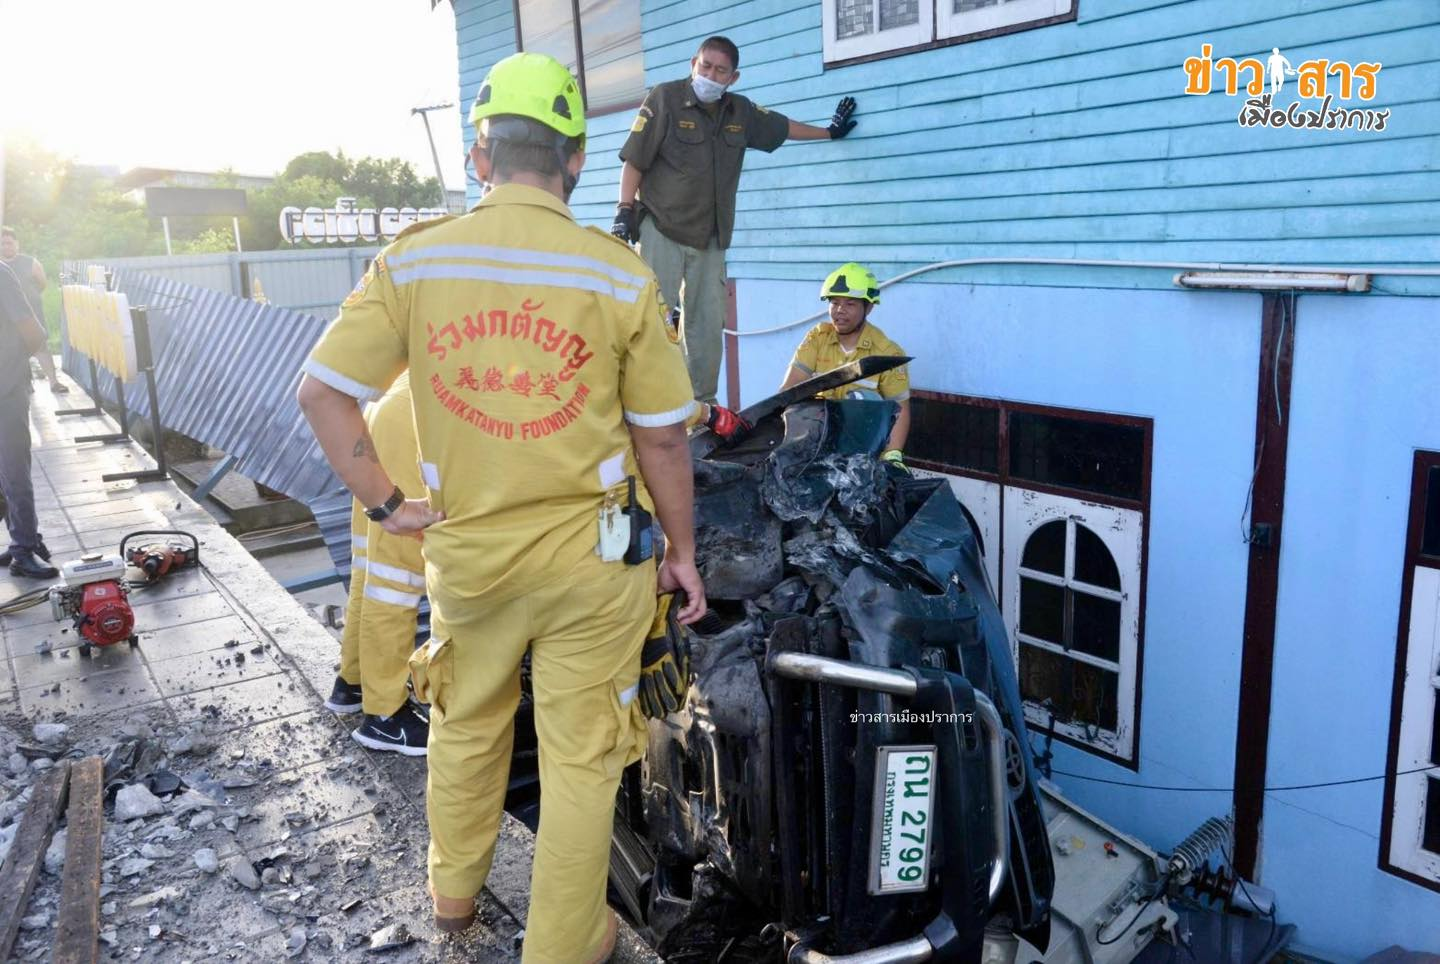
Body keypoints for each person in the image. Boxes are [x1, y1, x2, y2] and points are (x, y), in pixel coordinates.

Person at [296, 52, 705, 963]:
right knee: (583, 755)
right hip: (592, 568)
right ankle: (566, 943)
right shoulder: (617, 277)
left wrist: (387, 502)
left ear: (481, 157)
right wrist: (681, 550)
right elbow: (665, 440)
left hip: (468, 562)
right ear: (575, 162)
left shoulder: (416, 261)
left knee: (467, 725)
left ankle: (453, 901)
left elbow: (322, 391)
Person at [612, 36, 858, 405]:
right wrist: (624, 209)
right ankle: (646, 402)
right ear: (693, 63)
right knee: (653, 319)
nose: (710, 75)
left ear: (734, 77)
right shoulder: (664, 98)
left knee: (707, 327)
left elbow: (781, 127)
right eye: (705, 66)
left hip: (711, 236)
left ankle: (701, 408)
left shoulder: (740, 113)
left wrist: (830, 131)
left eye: (720, 70)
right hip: (662, 226)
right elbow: (635, 159)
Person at [324, 371, 431, 756]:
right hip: (414, 420)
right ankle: (385, 715)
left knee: (372, 565)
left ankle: (352, 683)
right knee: (397, 577)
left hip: (394, 404)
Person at [780, 262, 911, 468]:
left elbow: (900, 410)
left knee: (864, 399)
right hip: (818, 440)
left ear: (868, 307)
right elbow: (789, 390)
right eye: (834, 303)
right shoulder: (817, 338)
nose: (839, 311)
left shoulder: (887, 353)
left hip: (862, 450)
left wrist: (893, 456)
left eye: (850, 304)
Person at [0, 260, 57, 579]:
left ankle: (24, 545)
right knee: (8, 473)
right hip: (4, 388)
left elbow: (31, 331)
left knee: (10, 471)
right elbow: (29, 331)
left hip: (5, 388)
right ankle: (23, 545)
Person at [1, 227, 68, 394]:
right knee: (14, 351)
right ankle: (25, 384)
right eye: (2, 244)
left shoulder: (31, 262)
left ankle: (54, 382)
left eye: (9, 243)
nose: (6, 247)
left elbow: (42, 283)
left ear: (17, 244)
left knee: (41, 347)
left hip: (31, 315)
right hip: (7, 320)